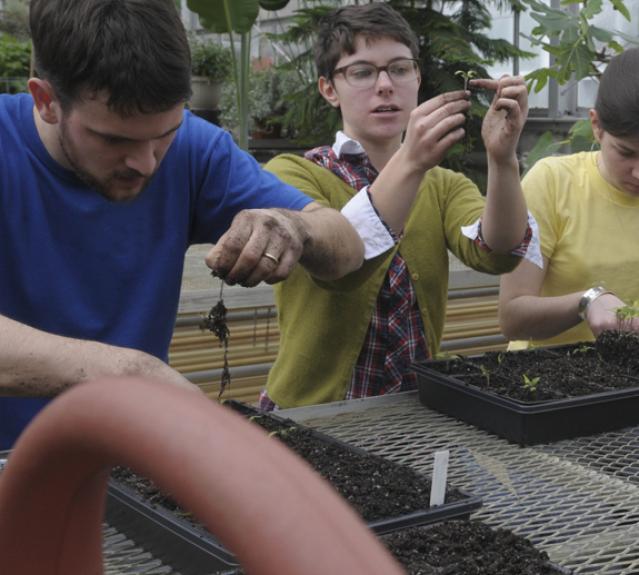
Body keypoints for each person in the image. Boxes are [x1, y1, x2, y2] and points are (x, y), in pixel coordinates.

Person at [0, 0, 367, 450]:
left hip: (127, 464)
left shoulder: (194, 148)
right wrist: (127, 372)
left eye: (164, 133)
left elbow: (347, 246)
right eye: (114, 139)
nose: (146, 162)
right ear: (46, 100)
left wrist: (294, 226)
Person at [257, 2, 539, 410]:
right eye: (362, 72)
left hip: (414, 415)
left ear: (418, 77)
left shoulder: (441, 184)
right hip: (313, 414)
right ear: (328, 89)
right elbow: (340, 266)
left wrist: (502, 159)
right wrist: (412, 158)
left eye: (400, 68)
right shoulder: (294, 175)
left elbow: (497, 251)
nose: (385, 85)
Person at [499, 47, 639, 349]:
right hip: (549, 380)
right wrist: (587, 301)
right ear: (596, 126)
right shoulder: (553, 183)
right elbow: (512, 317)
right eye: (626, 153)